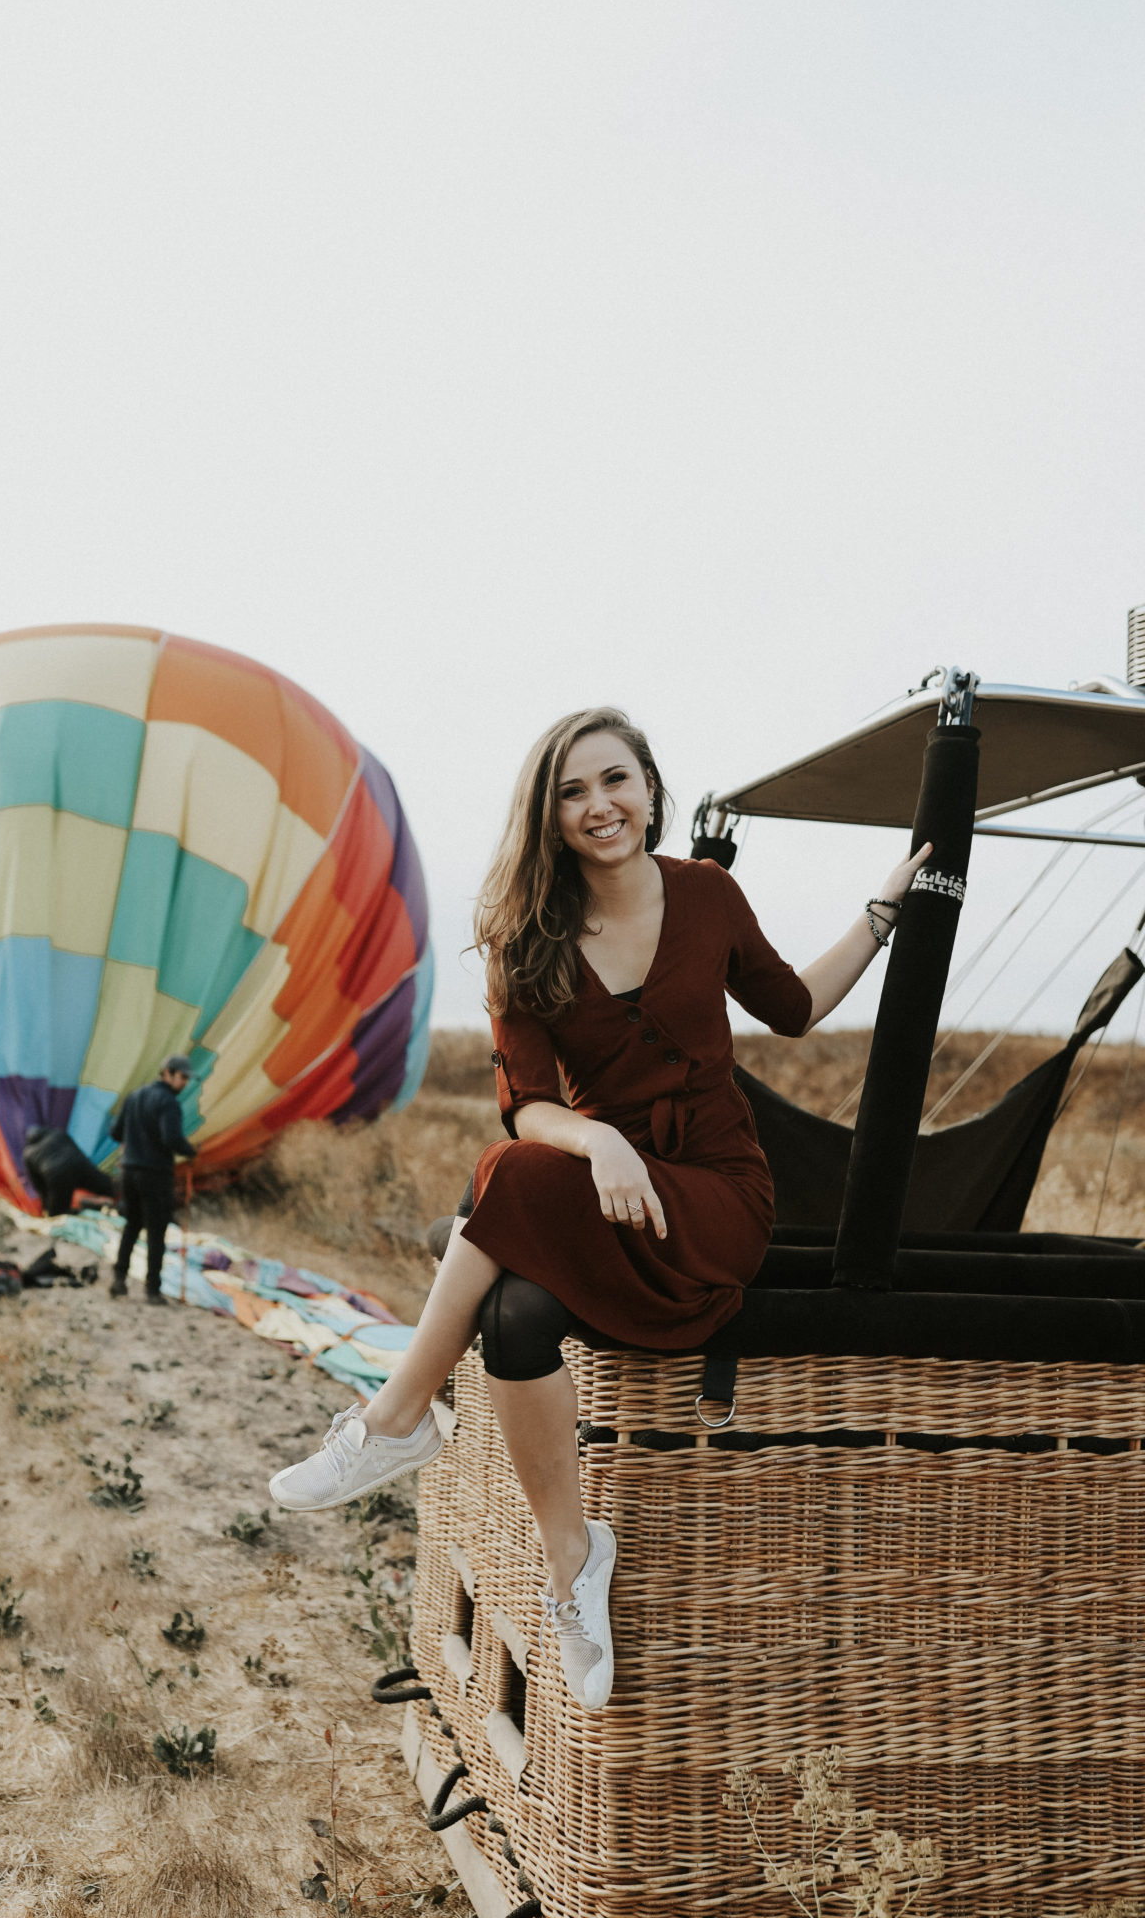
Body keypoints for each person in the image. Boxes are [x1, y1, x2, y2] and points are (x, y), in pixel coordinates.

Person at [268, 708, 931, 1711]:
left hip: (713, 1197)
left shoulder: (706, 896)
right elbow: (528, 1103)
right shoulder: (520, 939)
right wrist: (601, 1138)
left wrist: (881, 914)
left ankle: (397, 1415)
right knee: (516, 1313)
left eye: (613, 781)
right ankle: (574, 1561)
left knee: (501, 1179)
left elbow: (794, 1008)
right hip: (607, 1191)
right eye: (571, 792)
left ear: (651, 788)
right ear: (549, 817)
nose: (598, 806)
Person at [108, 1055, 197, 1305]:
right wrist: (191, 1151)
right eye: (182, 1077)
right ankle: (152, 1290)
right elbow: (172, 1139)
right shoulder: (168, 1103)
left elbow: (115, 1132)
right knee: (156, 1232)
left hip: (128, 1172)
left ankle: (118, 1280)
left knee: (131, 1226)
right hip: (155, 1173)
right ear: (167, 1073)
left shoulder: (134, 1096)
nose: (185, 1083)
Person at [22, 1124, 115, 1216]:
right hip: (78, 1165)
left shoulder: (28, 1153)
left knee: (57, 1213)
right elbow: (76, 1149)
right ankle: (113, 1204)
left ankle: (82, 1210)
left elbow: (38, 1183)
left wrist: (45, 1205)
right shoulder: (57, 1133)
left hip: (57, 1176)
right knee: (109, 1188)